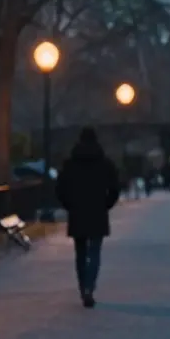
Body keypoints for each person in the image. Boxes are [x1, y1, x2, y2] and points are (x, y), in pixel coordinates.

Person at [55, 127, 121, 308]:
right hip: (97, 211)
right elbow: (115, 188)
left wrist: (70, 205)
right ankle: (90, 287)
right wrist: (106, 204)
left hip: (77, 212)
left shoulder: (70, 164)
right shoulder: (105, 163)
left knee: (81, 253)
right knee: (95, 252)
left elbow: (60, 189)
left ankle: (83, 285)